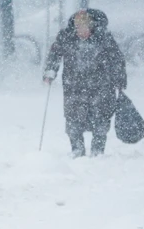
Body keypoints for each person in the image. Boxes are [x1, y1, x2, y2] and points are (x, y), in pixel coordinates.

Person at [43, 9, 126, 157]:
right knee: (73, 119)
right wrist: (50, 72)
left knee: (101, 119)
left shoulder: (104, 38)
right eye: (78, 28)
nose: (81, 31)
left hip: (101, 86)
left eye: (84, 28)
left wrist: (119, 78)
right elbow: (54, 54)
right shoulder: (66, 37)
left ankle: (98, 149)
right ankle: (77, 148)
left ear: (92, 26)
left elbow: (116, 59)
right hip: (73, 86)